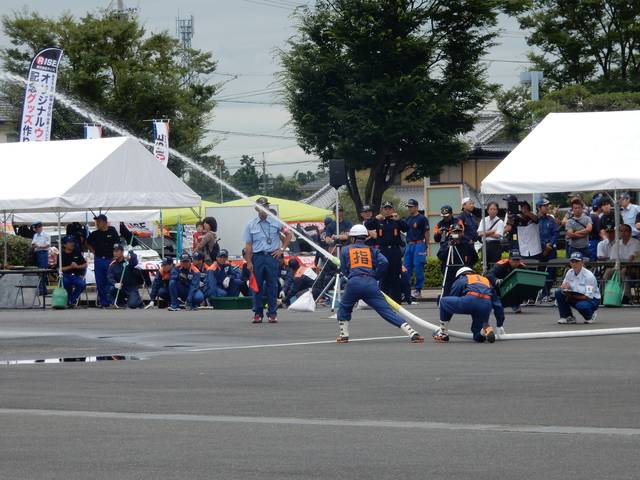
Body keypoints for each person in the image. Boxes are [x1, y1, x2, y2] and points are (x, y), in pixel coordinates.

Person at [336, 224, 424, 344]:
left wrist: (351, 275)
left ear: (353, 238)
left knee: (344, 307)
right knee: (386, 310)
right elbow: (384, 262)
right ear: (365, 237)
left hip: (354, 282)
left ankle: (343, 335)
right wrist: (375, 275)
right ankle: (412, 332)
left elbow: (343, 268)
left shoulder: (346, 249)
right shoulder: (372, 249)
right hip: (370, 283)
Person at [243, 197, 293, 323]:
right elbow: (248, 245)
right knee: (257, 286)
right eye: (261, 207)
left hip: (272, 256)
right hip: (258, 257)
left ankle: (272, 313)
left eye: (265, 206)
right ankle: (257, 313)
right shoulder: (251, 224)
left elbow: (289, 234)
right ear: (257, 209)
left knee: (272, 286)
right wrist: (248, 262)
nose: (264, 209)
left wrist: (282, 249)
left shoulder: (276, 221)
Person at [435, 267, 497, 343]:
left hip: (471, 300)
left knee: (444, 302)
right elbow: (497, 303)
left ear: (460, 275)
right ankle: (483, 331)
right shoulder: (485, 280)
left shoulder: (463, 278)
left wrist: (446, 321)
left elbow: (453, 296)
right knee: (477, 335)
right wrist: (500, 325)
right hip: (486, 303)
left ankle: (443, 334)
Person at [373, 200, 407, 303]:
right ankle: (383, 300)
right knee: (383, 275)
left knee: (395, 275)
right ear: (382, 210)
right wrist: (375, 218)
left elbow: (406, 228)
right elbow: (368, 225)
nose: (387, 211)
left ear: (392, 210)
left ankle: (396, 300)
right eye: (385, 209)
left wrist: (399, 220)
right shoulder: (379, 221)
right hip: (383, 250)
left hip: (394, 250)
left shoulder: (396, 221)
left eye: (389, 209)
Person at [556, 252, 600, 324]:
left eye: (577, 261)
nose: (574, 264)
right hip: (575, 295)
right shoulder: (569, 272)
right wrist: (563, 288)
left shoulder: (589, 276)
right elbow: (563, 287)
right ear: (570, 263)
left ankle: (590, 315)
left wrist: (572, 296)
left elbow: (588, 297)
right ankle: (568, 317)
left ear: (582, 262)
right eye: (572, 261)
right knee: (558, 292)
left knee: (581, 306)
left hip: (592, 299)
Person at [87, 214, 120, 307]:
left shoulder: (112, 230)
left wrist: (116, 255)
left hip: (110, 259)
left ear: (105, 222)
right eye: (97, 222)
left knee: (110, 280)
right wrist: (94, 252)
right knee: (100, 281)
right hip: (99, 259)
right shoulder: (95, 234)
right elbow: (87, 243)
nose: (97, 223)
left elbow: (117, 244)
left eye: (99, 221)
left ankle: (112, 300)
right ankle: (103, 302)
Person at [603, 224, 640, 302]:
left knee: (623, 271)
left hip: (634, 268)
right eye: (621, 231)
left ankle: (626, 296)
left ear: (630, 232)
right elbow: (613, 259)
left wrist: (622, 263)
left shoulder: (636, 243)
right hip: (618, 266)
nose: (623, 233)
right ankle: (604, 294)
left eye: (625, 230)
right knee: (607, 272)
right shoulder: (617, 243)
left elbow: (631, 258)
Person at [433, 205, 465, 295]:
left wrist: (452, 234)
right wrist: (439, 233)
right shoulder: (439, 224)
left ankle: (459, 293)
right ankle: (447, 295)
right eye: (443, 216)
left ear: (451, 214)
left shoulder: (457, 221)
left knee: (459, 274)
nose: (445, 217)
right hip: (445, 250)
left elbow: (461, 234)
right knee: (446, 275)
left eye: (447, 215)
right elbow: (436, 239)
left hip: (457, 250)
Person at [486, 249, 525, 320]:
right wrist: (496, 280)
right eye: (514, 260)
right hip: (498, 286)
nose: (516, 262)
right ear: (509, 259)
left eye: (518, 260)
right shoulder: (501, 265)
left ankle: (515, 303)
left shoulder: (522, 267)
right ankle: (493, 302)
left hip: (510, 287)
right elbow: (488, 274)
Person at [403, 198, 430, 298]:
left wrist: (426, 245)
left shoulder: (422, 218)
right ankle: (406, 289)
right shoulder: (407, 219)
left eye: (411, 207)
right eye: (408, 207)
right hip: (409, 244)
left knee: (418, 266)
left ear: (416, 207)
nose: (409, 209)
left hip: (419, 244)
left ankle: (418, 290)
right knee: (406, 267)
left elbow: (427, 233)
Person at [107, 244, 143, 309]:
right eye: (114, 251)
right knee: (111, 289)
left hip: (131, 288)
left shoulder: (128, 261)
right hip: (121, 288)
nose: (115, 253)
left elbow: (135, 262)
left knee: (132, 305)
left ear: (122, 252)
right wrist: (115, 283)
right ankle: (119, 302)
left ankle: (139, 301)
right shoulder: (112, 265)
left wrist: (131, 252)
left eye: (117, 251)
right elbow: (110, 277)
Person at [537, 198, 558, 300]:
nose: (547, 208)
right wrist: (544, 246)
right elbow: (535, 236)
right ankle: (542, 293)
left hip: (551, 249)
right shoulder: (536, 220)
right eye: (544, 206)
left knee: (551, 271)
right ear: (539, 208)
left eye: (547, 206)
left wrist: (550, 245)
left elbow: (555, 233)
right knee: (540, 271)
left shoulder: (551, 219)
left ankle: (547, 292)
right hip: (540, 250)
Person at [60, 235, 87, 307]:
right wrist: (70, 267)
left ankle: (71, 300)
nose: (72, 244)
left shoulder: (77, 252)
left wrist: (77, 267)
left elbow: (85, 264)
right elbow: (59, 268)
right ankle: (68, 300)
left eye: (72, 242)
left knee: (82, 284)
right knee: (65, 283)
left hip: (76, 275)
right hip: (65, 275)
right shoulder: (61, 255)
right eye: (69, 242)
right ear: (64, 244)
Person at [458, 197, 479, 267]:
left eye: (473, 204)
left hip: (473, 244)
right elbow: (459, 231)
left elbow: (477, 230)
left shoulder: (473, 216)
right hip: (464, 245)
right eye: (470, 204)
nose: (472, 205)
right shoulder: (460, 217)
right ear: (464, 205)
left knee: (472, 262)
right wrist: (468, 240)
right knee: (465, 265)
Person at [30, 221, 50, 295]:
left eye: (36, 228)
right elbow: (33, 244)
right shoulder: (35, 235)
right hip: (37, 254)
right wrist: (37, 245)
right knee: (39, 273)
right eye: (35, 228)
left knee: (42, 272)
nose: (35, 230)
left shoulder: (46, 235)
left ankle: (42, 290)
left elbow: (47, 245)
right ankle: (43, 290)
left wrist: (38, 246)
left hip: (43, 254)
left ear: (40, 227)